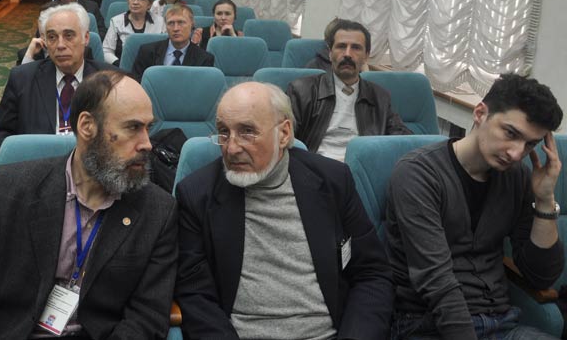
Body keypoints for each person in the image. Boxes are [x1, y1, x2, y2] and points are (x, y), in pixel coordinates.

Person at [0, 71, 178, 339]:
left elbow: (147, 316)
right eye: (133, 127)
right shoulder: (10, 189)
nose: (147, 144)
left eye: (148, 128)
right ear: (87, 126)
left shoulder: (158, 211)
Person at [174, 81, 394, 339]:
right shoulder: (197, 195)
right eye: (224, 132)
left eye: (247, 132)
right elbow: (194, 294)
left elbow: (372, 274)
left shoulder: (333, 182)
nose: (231, 148)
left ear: (284, 133)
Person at [386, 73, 564, 340]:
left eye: (530, 144)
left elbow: (541, 276)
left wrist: (544, 200)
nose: (517, 153)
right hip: (429, 325)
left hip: (501, 324)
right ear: (480, 113)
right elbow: (436, 282)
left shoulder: (516, 177)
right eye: (511, 133)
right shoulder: (418, 175)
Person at [0, 3, 116, 155]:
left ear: (86, 38)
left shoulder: (112, 81)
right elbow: (0, 136)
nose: (60, 45)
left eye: (69, 36)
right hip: (38, 163)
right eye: (52, 37)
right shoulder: (22, 79)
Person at [286, 19, 410, 160]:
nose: (348, 54)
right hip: (316, 165)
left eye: (356, 48)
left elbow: (401, 137)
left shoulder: (379, 97)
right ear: (330, 53)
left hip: (362, 166)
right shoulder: (301, 91)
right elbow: (284, 137)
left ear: (366, 56)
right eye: (341, 46)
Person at [132, 4, 214, 81]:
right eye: (171, 23)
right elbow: (136, 83)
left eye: (181, 22)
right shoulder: (147, 52)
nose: (175, 28)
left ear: (192, 24)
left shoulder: (204, 58)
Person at [103, 0, 165, 66]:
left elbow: (166, 50)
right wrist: (119, 64)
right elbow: (106, 51)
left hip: (152, 68)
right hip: (122, 68)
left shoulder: (160, 22)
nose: (135, 2)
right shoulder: (116, 21)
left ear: (149, 4)